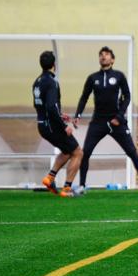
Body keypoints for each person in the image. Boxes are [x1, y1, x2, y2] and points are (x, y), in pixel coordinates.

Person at [73, 46, 138, 194]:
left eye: (107, 54)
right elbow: (84, 97)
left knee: (132, 152)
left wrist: (119, 116)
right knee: (86, 152)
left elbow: (127, 97)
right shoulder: (93, 78)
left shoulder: (119, 76)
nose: (103, 57)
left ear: (112, 59)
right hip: (98, 122)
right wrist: (77, 115)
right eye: (101, 55)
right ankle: (82, 185)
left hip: (117, 122)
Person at [33, 51, 83, 197]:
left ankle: (49, 178)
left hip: (43, 125)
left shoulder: (37, 82)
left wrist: (59, 115)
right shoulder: (51, 82)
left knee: (68, 151)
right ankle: (66, 189)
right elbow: (50, 107)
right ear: (54, 65)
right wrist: (63, 125)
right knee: (78, 152)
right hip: (52, 125)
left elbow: (40, 105)